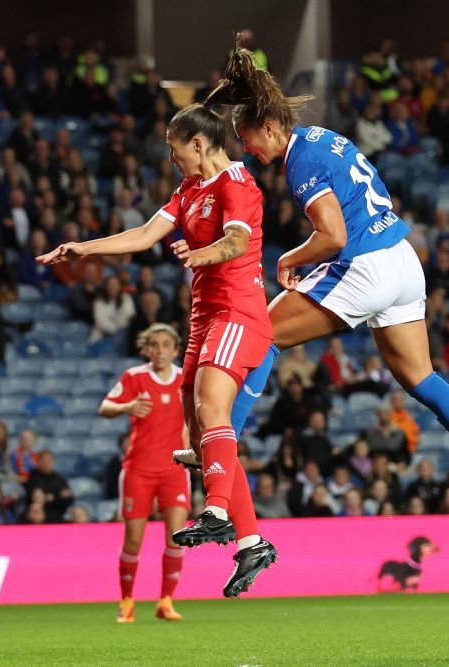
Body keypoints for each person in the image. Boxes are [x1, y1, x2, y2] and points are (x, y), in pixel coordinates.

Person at [213, 36, 449, 526]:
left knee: (263, 335)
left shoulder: (301, 161)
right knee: (420, 377)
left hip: (365, 265)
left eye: (247, 138)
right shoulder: (327, 139)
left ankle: (220, 453)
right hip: (402, 258)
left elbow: (332, 235)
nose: (246, 149)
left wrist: (290, 257)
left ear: (268, 127)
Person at [38, 99, 277, 597]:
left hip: (237, 309)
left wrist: (204, 253)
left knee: (213, 409)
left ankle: (215, 513)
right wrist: (86, 246)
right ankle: (251, 541)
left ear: (197, 143)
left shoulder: (237, 183)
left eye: (174, 149)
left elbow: (235, 241)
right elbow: (146, 235)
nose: (171, 159)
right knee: (203, 432)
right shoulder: (189, 189)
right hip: (204, 316)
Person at [98, 324, 189, 623]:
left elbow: (195, 417)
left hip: (174, 470)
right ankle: (126, 601)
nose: (159, 350)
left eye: (165, 345)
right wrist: (128, 406)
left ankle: (166, 600)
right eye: (154, 345)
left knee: (177, 537)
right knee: (133, 540)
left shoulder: (185, 378)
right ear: (146, 349)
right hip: (138, 470)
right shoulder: (134, 377)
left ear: (175, 349)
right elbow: (105, 407)